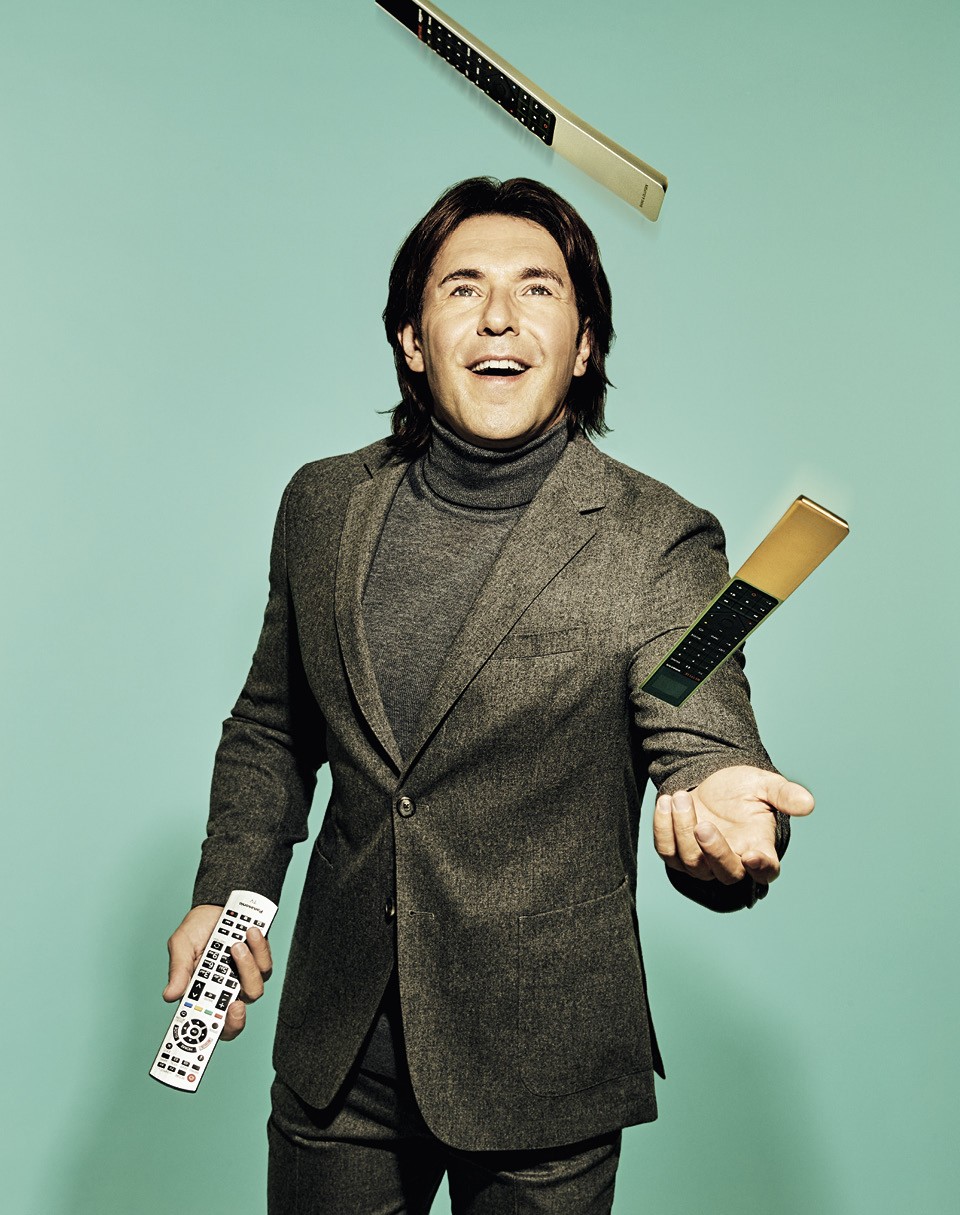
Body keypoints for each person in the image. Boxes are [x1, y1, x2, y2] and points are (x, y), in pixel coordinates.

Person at [163, 176, 814, 1213]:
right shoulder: (321, 505)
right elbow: (273, 728)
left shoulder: (661, 540)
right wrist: (226, 889)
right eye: (463, 288)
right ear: (413, 340)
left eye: (538, 289)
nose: (500, 317)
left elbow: (703, 730)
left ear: (584, 344)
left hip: (546, 1065)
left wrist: (726, 806)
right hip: (340, 1056)